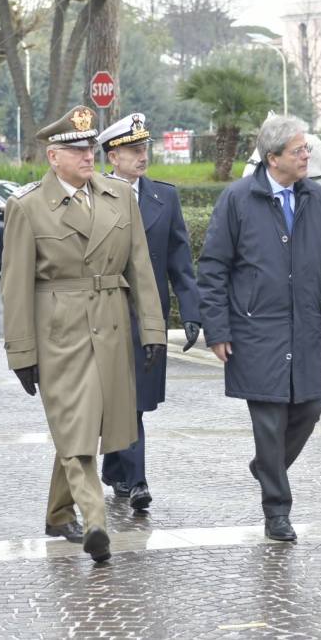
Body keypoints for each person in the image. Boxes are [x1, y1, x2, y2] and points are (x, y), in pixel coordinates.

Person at [0, 105, 166, 563]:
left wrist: (152, 328)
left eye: (90, 147)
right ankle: (94, 520)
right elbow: (14, 288)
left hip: (111, 326)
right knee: (76, 422)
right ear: (53, 157)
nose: (87, 155)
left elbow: (141, 268)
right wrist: (21, 352)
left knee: (92, 423)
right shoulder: (28, 206)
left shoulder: (119, 196)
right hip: (60, 329)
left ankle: (58, 514)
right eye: (75, 150)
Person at [197, 114, 321, 542]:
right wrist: (218, 329)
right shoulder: (237, 199)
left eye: (306, 149)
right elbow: (212, 269)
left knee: (310, 408)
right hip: (254, 332)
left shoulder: (318, 198)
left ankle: (267, 465)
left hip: (303, 329)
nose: (307, 156)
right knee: (268, 421)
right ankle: (277, 512)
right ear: (273, 158)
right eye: (299, 150)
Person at [94, 112, 201, 511]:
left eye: (145, 149)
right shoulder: (94, 194)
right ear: (112, 156)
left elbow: (179, 258)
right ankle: (135, 479)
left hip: (148, 315)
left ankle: (119, 468)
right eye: (133, 150)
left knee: (135, 399)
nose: (143, 157)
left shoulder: (163, 196)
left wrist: (191, 311)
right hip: (104, 314)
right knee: (119, 398)